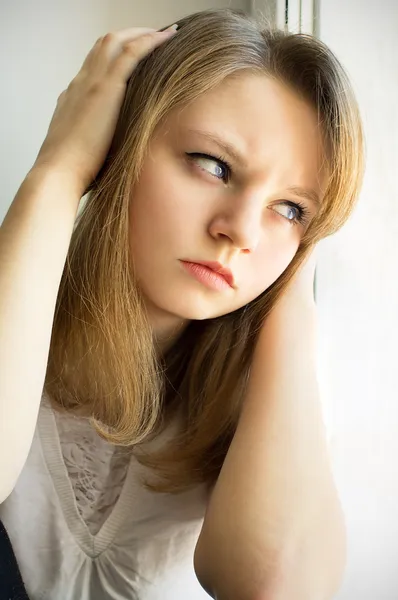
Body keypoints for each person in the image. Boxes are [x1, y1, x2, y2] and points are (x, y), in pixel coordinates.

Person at [0, 7, 364, 600]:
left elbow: (274, 588)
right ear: (118, 144)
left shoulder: (276, 385)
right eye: (212, 165)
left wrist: (296, 275)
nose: (240, 230)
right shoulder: (16, 296)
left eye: (292, 208)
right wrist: (60, 168)